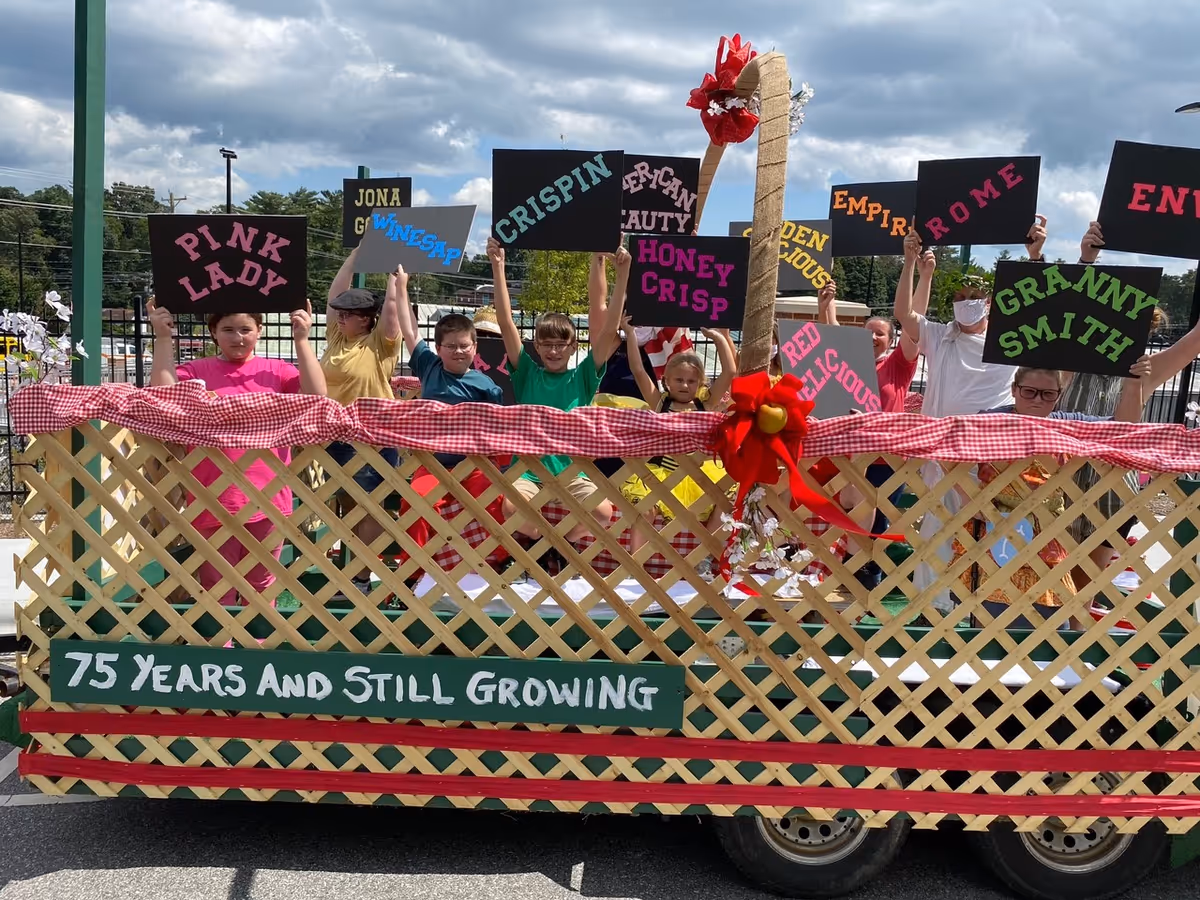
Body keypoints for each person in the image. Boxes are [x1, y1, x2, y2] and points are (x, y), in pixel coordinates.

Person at [896, 217, 1045, 613]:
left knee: (989, 530)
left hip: (989, 455)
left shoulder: (1010, 341)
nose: (966, 301)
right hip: (941, 454)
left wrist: (1034, 257)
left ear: (990, 303)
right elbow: (905, 316)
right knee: (936, 527)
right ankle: (933, 605)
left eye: (974, 295)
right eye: (960, 295)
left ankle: (981, 606)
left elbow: (1035, 305)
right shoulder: (942, 336)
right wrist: (913, 265)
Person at [147, 298, 326, 606]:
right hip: (212, 497)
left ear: (259, 331)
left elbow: (317, 396)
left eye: (246, 329)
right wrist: (163, 338)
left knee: (262, 584)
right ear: (214, 332)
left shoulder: (277, 371)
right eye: (228, 329)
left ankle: (257, 647)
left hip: (268, 497)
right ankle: (223, 650)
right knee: (217, 586)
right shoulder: (197, 370)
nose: (237, 337)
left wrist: (302, 340)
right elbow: (165, 399)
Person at [953, 360, 1154, 626]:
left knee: (1050, 618)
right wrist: (970, 500)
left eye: (1048, 394)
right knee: (992, 616)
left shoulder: (1066, 423)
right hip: (996, 533)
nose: (1038, 400)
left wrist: (1133, 385)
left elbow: (1121, 429)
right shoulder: (989, 420)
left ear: (1058, 396)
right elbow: (951, 457)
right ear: (1014, 389)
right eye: (1029, 391)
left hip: (1049, 536)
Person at [490, 235, 630, 542]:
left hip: (573, 470)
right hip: (527, 468)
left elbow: (609, 329)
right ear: (537, 347)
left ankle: (560, 546)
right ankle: (547, 545)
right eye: (547, 345)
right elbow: (505, 323)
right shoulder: (526, 373)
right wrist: (498, 267)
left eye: (560, 345)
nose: (554, 351)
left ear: (572, 346)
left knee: (604, 512)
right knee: (511, 508)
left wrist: (622, 276)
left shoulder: (583, 376)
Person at [321, 246, 403, 595]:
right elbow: (332, 296)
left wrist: (395, 281)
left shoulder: (379, 344)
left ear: (366, 317)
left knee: (370, 509)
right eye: (340, 313)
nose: (340, 316)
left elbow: (393, 315)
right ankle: (355, 573)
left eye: (349, 313)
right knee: (346, 507)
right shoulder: (337, 337)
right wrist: (357, 254)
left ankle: (360, 578)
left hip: (372, 438)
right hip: (334, 436)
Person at [619, 320, 737, 549]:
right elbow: (638, 369)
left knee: (724, 501)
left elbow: (730, 371)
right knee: (645, 507)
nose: (685, 385)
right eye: (679, 380)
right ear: (666, 381)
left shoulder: (707, 403)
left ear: (700, 383)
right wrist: (630, 333)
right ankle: (635, 564)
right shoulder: (659, 401)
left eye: (691, 381)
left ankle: (704, 554)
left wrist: (719, 338)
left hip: (698, 473)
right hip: (661, 470)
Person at [394, 264, 503, 468]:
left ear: (475, 347)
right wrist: (401, 287)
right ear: (438, 348)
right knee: (415, 499)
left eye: (464, 346)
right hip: (431, 465)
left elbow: (497, 432)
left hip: (475, 467)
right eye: (451, 346)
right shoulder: (429, 366)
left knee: (488, 498)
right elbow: (409, 330)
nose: (458, 351)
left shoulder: (487, 386)